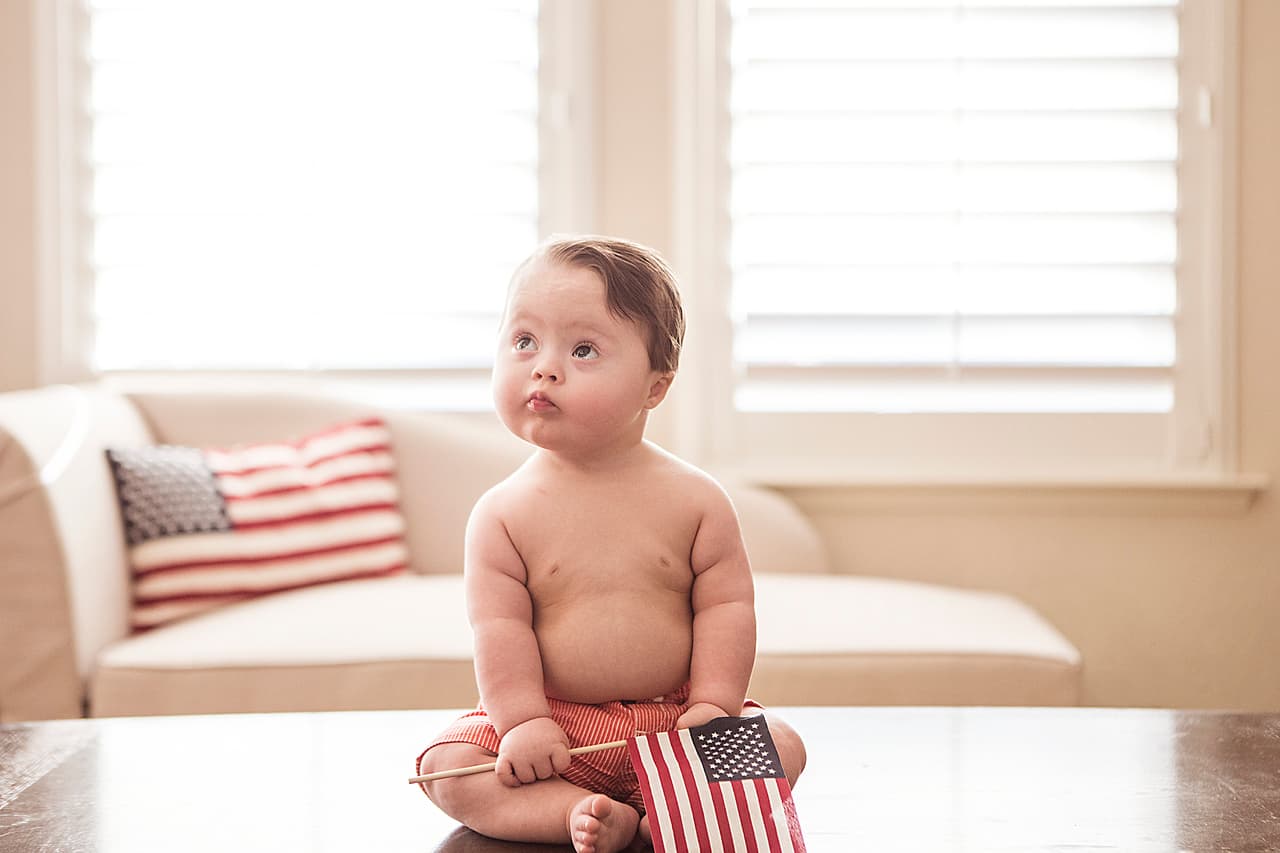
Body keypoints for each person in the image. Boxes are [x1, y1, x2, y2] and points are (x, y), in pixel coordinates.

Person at [416, 235, 806, 853]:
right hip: (560, 728)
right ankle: (582, 814)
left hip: (677, 721)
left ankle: (668, 817)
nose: (543, 367)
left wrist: (713, 703)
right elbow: (500, 630)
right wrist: (523, 722)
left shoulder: (696, 501)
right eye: (523, 341)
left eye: (584, 348)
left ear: (655, 386)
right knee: (448, 767)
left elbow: (727, 608)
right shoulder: (502, 514)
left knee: (781, 744)